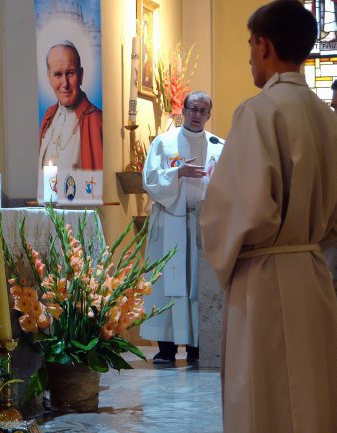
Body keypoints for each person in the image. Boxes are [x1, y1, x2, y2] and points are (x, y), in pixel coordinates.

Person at [199, 2, 337, 432]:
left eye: (249, 44)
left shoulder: (257, 112)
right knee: (312, 400)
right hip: (314, 277)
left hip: (263, 279)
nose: (248, 56)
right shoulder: (328, 118)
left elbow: (237, 210)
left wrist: (216, 234)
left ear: (264, 45)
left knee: (264, 402)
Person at [139, 91, 224, 364]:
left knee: (198, 285)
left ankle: (197, 348)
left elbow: (228, 184)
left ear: (209, 115)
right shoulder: (164, 143)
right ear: (184, 111)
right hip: (170, 221)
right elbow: (150, 179)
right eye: (193, 109)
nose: (197, 115)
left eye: (203, 110)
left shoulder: (219, 146)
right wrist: (178, 173)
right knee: (166, 283)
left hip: (203, 224)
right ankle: (165, 349)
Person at [37, 40, 102, 200]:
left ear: (81, 75)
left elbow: (97, 188)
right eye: (58, 74)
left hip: (80, 216)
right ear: (49, 78)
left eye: (70, 73)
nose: (64, 84)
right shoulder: (49, 116)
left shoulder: (95, 120)